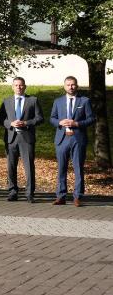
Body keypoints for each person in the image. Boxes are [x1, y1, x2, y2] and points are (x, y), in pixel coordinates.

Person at [50, 76, 96, 207]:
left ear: (77, 85)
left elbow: (91, 119)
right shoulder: (58, 101)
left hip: (78, 138)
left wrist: (76, 123)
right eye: (68, 85)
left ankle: (78, 197)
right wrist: (59, 122)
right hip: (62, 139)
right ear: (64, 86)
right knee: (61, 168)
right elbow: (52, 118)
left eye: (73, 84)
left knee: (78, 168)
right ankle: (61, 196)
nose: (71, 87)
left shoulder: (85, 101)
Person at [0, 77, 44, 203]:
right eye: (16, 85)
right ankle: (12, 192)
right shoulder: (7, 101)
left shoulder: (33, 100)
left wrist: (26, 123)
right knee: (11, 166)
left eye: (21, 85)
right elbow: (1, 119)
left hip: (26, 138)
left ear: (25, 86)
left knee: (29, 166)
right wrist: (10, 124)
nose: (18, 87)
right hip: (11, 138)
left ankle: (29, 193)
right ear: (12, 87)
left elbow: (40, 118)